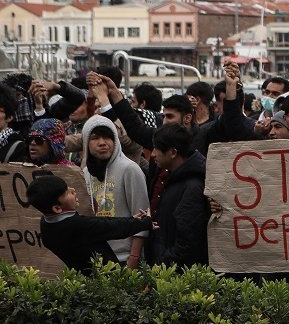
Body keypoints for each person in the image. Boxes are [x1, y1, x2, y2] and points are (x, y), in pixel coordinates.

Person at [29, 175, 154, 273]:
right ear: (57, 208)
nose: (73, 190)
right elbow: (110, 227)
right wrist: (144, 223)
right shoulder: (75, 226)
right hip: (105, 280)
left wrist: (132, 220)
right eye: (66, 193)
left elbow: (101, 224)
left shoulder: (46, 224)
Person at [81, 114, 151, 268]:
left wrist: (134, 257)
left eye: (108, 137)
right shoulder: (86, 173)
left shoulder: (129, 169)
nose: (102, 143)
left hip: (125, 258)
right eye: (95, 138)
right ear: (86, 142)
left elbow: (142, 217)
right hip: (97, 258)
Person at [146, 124, 209, 267]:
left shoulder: (192, 187)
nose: (153, 154)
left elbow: (188, 241)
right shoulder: (173, 179)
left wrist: (163, 264)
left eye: (156, 148)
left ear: (173, 152)